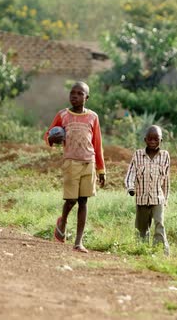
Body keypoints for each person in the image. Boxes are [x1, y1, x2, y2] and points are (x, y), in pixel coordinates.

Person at [44, 81, 105, 253]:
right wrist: (51, 139)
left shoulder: (93, 117)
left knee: (83, 201)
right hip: (71, 162)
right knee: (71, 200)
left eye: (79, 94)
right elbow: (48, 134)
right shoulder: (63, 115)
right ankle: (62, 222)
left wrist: (101, 169)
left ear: (87, 97)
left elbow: (97, 143)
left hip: (89, 162)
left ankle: (78, 242)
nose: (75, 96)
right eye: (72, 93)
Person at [124, 125, 171, 256]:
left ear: (161, 140)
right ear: (145, 140)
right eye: (150, 139)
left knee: (159, 224)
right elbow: (131, 173)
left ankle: (160, 252)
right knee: (142, 228)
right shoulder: (138, 155)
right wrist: (131, 188)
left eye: (156, 139)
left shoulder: (165, 156)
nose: (153, 142)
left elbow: (166, 179)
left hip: (158, 198)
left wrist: (165, 198)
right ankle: (142, 251)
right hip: (141, 198)